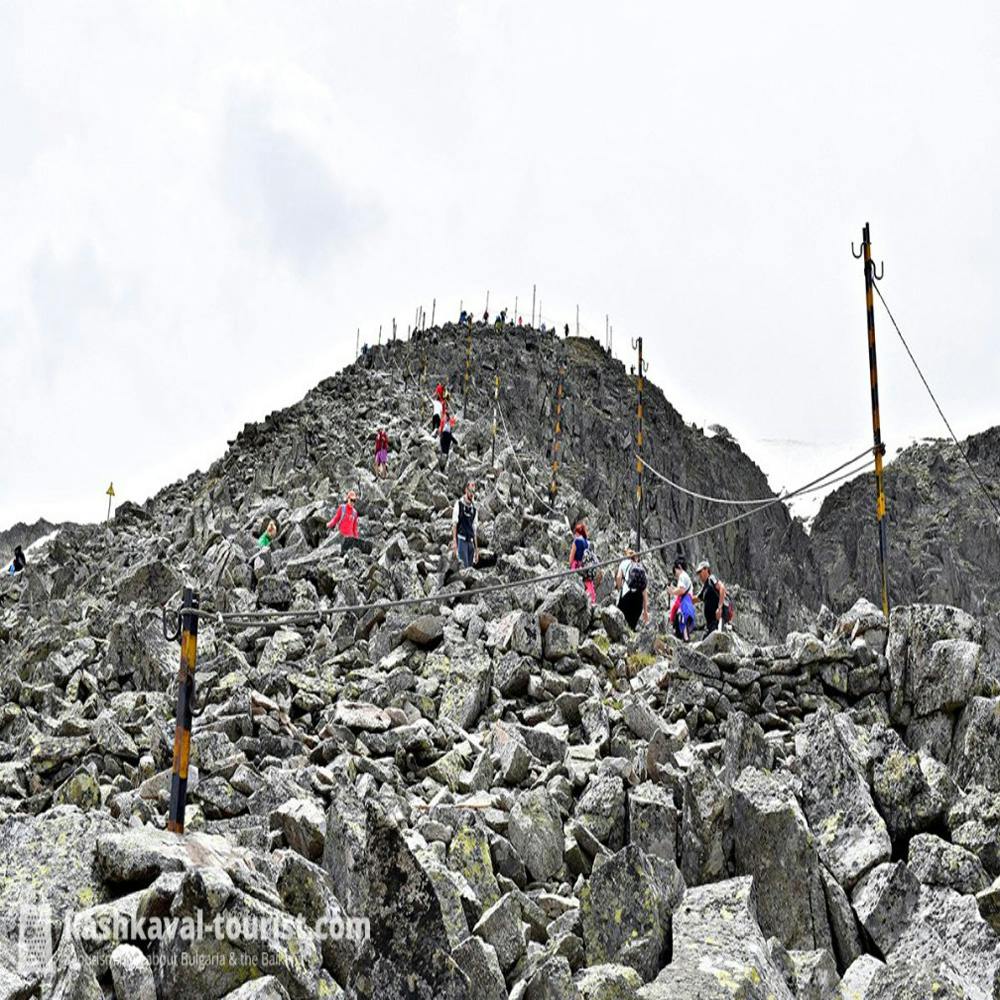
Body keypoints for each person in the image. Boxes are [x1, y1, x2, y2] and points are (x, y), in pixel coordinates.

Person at [695, 559, 732, 636]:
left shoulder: (711, 578)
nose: (699, 575)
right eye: (698, 573)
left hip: (719, 618)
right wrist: (682, 597)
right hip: (711, 624)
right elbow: (697, 598)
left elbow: (721, 588)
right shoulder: (704, 588)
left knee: (719, 637)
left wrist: (719, 608)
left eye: (700, 572)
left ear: (706, 570)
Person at [615, 548, 649, 629]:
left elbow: (619, 577)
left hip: (626, 596)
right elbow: (644, 591)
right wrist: (645, 611)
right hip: (638, 600)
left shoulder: (624, 563)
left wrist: (619, 589)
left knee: (621, 624)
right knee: (631, 626)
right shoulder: (641, 568)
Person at [569, 523, 598, 604]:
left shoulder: (576, 541)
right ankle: (591, 601)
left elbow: (571, 557)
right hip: (586, 568)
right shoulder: (588, 543)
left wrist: (570, 565)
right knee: (588, 586)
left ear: (577, 532)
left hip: (577, 567)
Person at [452, 481, 479, 568]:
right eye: (470, 491)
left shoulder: (474, 509)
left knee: (470, 569)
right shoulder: (459, 504)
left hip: (470, 542)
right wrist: (455, 543)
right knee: (464, 568)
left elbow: (474, 530)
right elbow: (454, 524)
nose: (472, 494)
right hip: (461, 541)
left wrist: (476, 550)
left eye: (473, 492)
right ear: (466, 490)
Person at [668, 558, 696, 641]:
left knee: (682, 616)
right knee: (683, 617)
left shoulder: (682, 576)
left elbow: (681, 590)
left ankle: (686, 638)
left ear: (679, 567)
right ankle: (685, 636)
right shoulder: (686, 576)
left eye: (675, 571)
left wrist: (672, 591)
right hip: (688, 600)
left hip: (685, 600)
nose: (675, 575)